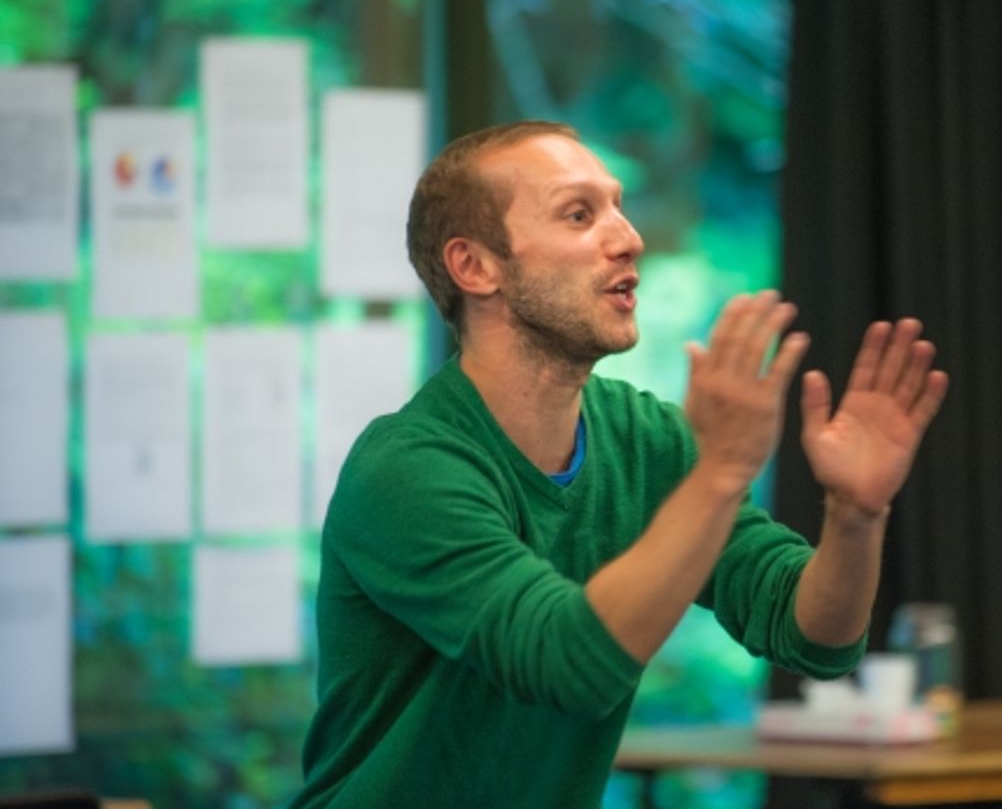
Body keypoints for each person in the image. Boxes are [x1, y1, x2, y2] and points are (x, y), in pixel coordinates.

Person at [291, 120, 949, 808]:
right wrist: (721, 473)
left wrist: (856, 514)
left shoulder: (647, 439)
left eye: (617, 206)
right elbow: (565, 660)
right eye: (580, 214)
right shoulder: (406, 467)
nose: (628, 237)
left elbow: (813, 635)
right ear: (474, 266)